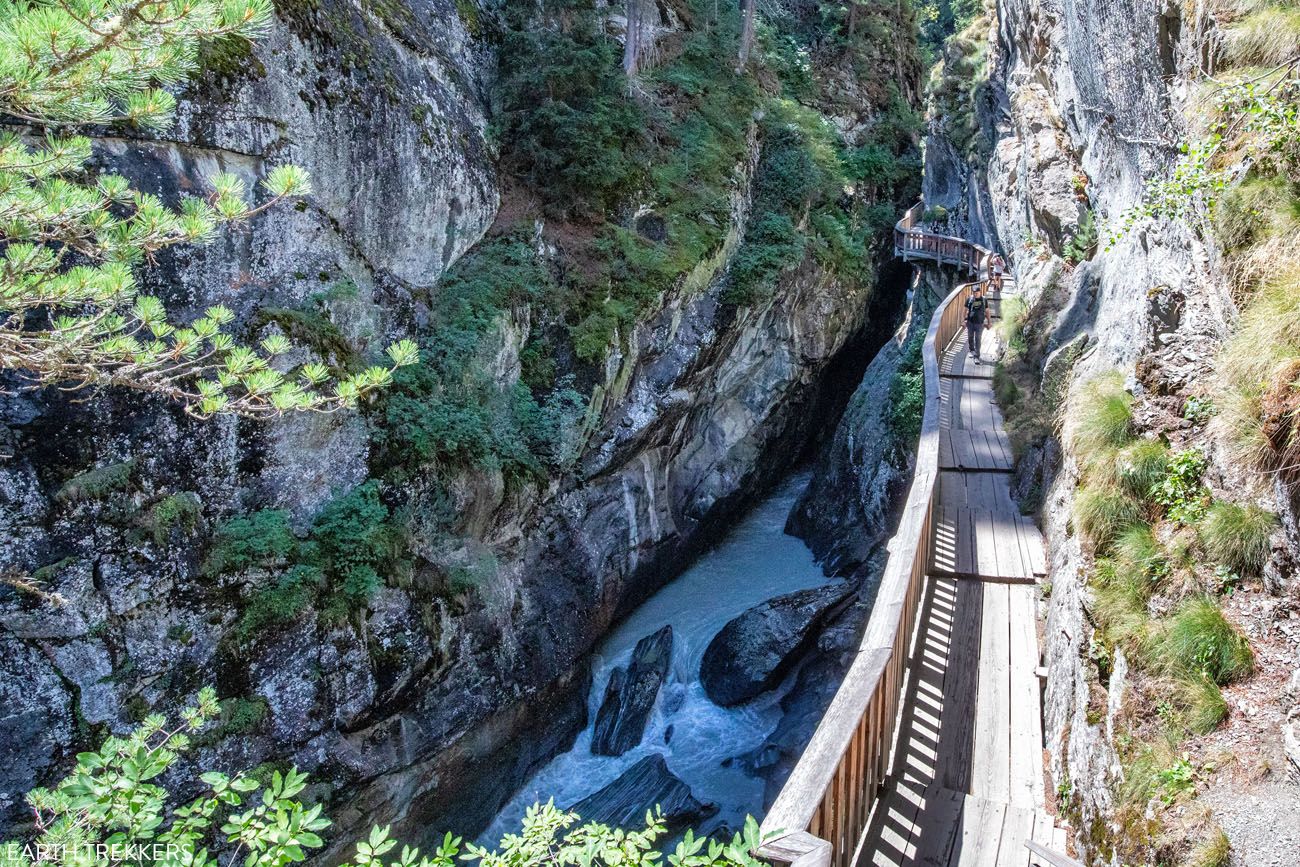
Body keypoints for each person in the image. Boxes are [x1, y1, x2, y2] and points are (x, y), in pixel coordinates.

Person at [966, 282, 992, 363]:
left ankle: (977, 356)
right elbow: (965, 310)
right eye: (974, 293)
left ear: (980, 292)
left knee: (978, 339)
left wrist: (989, 322)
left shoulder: (984, 300)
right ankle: (971, 350)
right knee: (970, 337)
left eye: (977, 293)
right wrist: (963, 321)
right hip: (970, 322)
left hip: (980, 324)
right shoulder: (970, 299)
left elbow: (987, 311)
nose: (975, 294)